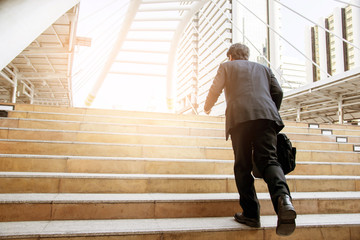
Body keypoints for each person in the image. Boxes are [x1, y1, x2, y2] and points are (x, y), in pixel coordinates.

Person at [204, 43, 296, 236]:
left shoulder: (226, 66)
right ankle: (284, 200)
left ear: (230, 56)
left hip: (240, 118)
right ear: (247, 56)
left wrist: (207, 107)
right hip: (267, 117)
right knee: (270, 160)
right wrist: (269, 111)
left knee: (243, 165)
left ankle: (251, 214)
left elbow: (216, 88)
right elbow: (278, 92)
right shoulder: (264, 68)